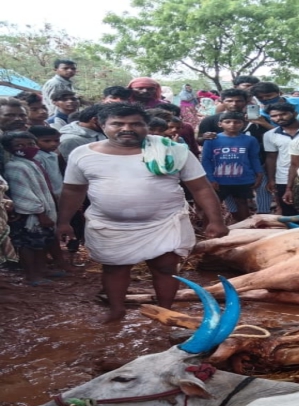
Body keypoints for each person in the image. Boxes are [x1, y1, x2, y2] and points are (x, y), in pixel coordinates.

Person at [57, 102, 228, 321]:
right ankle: (117, 310)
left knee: (166, 268)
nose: (127, 128)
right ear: (101, 125)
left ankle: (165, 310)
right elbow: (73, 190)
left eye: (135, 124)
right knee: (114, 269)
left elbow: (201, 187)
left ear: (146, 125)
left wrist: (216, 220)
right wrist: (64, 221)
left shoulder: (172, 150)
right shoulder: (82, 154)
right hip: (110, 226)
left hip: (165, 222)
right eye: (118, 123)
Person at [198, 88, 272, 214]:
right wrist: (204, 137)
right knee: (231, 199)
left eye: (239, 101)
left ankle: (263, 216)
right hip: (222, 168)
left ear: (246, 101)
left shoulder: (258, 119)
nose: (234, 104)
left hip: (256, 162)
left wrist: (263, 123)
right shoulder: (210, 120)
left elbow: (271, 137)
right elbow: (200, 141)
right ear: (222, 101)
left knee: (260, 190)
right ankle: (234, 219)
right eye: (230, 101)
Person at [1, 132, 61, 284]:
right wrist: (40, 213)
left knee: (40, 244)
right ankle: (32, 275)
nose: (27, 148)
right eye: (20, 146)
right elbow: (23, 193)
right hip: (30, 215)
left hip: (42, 210)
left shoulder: (32, 162)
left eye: (31, 144)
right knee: (29, 245)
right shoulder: (15, 166)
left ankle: (41, 270)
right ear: (9, 148)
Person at [201, 111, 263, 222]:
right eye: (228, 122)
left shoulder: (250, 140)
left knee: (242, 202)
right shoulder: (212, 140)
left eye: (237, 122)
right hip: (218, 180)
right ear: (220, 124)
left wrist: (259, 173)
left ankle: (245, 228)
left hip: (242, 179)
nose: (232, 125)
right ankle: (209, 228)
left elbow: (254, 158)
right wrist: (210, 178)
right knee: (214, 204)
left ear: (243, 124)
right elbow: (206, 160)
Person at [263, 103, 299, 216]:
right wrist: (271, 179)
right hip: (283, 177)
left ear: (294, 114)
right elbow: (271, 157)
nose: (279, 118)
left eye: (283, 114)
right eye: (274, 116)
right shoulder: (269, 135)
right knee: (289, 211)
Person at [28, 126, 63, 198]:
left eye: (56, 140)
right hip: (49, 194)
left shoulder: (52, 154)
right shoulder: (37, 157)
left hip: (59, 191)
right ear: (33, 142)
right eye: (47, 141)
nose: (53, 144)